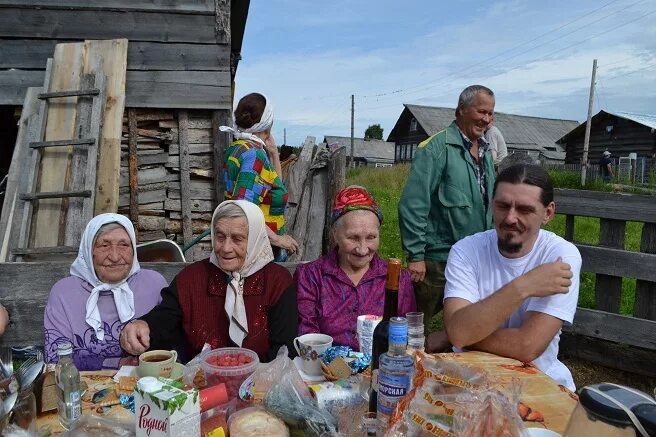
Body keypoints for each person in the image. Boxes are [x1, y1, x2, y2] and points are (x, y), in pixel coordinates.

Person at [431, 163, 581, 390]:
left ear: (548, 213)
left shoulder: (560, 256)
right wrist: (524, 285)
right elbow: (459, 332)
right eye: (502, 206)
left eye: (524, 209)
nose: (510, 218)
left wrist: (458, 334)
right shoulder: (466, 250)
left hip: (535, 382)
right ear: (492, 204)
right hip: (467, 379)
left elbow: (527, 346)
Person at [120, 200, 297, 363]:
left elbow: (284, 351)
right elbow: (164, 320)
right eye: (220, 237)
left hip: (262, 386)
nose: (226, 248)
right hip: (201, 384)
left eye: (237, 239)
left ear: (255, 240)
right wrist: (144, 325)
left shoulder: (277, 282)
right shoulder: (191, 279)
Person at [399, 85, 496, 334]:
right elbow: (413, 204)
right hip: (438, 260)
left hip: (475, 257)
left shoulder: (485, 152)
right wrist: (416, 255)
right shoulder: (435, 149)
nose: (486, 119)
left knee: (463, 324)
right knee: (414, 324)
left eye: (490, 114)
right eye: (481, 111)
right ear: (461, 110)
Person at [295, 186, 416, 350]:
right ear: (335, 235)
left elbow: (407, 333)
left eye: (371, 237)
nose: (363, 249)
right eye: (353, 238)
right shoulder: (311, 276)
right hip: (325, 371)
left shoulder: (397, 278)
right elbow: (308, 336)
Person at [44, 214, 167, 370]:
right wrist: (115, 364)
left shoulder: (154, 284)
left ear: (133, 249)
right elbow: (55, 358)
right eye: (104, 245)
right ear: (89, 251)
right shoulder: (64, 293)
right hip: (85, 387)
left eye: (124, 245)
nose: (115, 257)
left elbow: (174, 340)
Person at [220, 93, 298, 261]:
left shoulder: (238, 148)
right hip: (260, 251)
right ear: (268, 122)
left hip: (258, 246)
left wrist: (274, 155)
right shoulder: (253, 154)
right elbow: (244, 209)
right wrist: (278, 239)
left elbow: (272, 185)